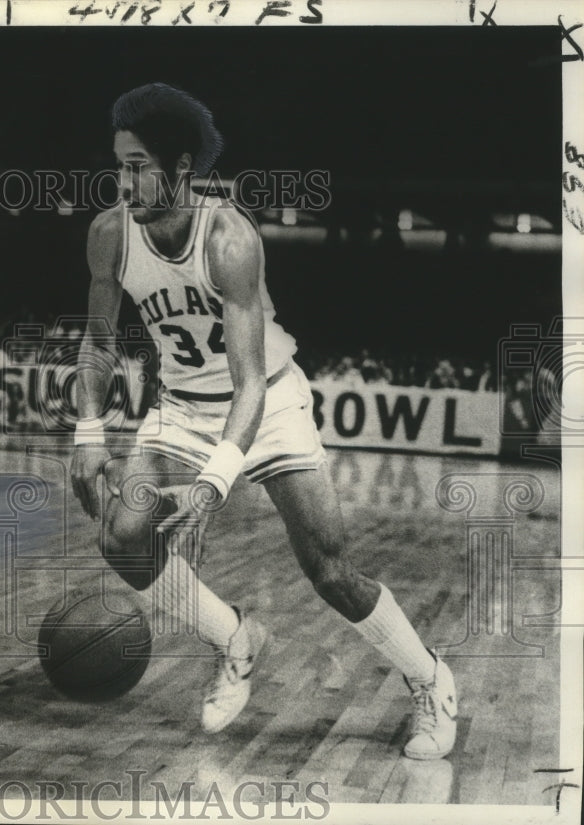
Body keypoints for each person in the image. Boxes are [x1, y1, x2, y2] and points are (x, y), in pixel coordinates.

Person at [71, 83, 457, 760]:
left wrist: (215, 480)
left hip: (269, 402)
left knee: (331, 571)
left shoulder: (229, 238)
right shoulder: (109, 234)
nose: (123, 180)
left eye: (138, 165)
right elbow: (101, 341)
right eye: (119, 164)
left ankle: (430, 680)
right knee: (124, 536)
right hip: (184, 407)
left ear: (181, 167)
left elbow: (249, 380)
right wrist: (87, 430)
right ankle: (234, 637)